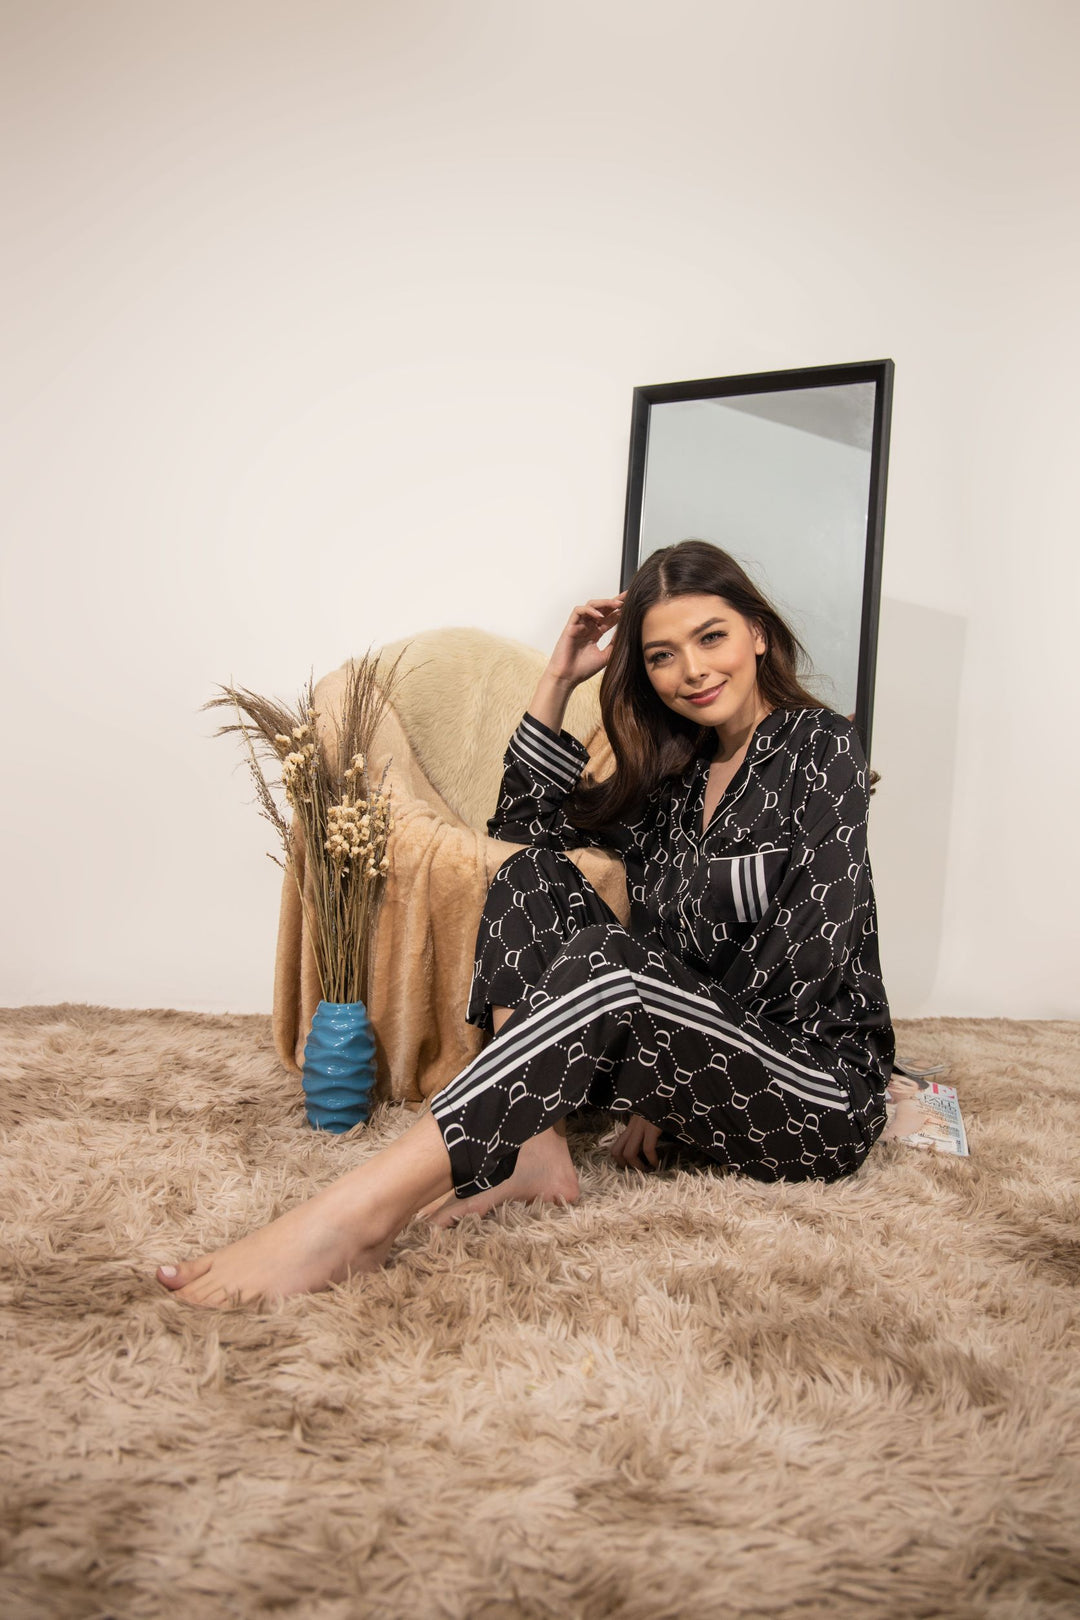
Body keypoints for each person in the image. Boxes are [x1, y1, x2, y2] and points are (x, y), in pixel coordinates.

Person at [157, 540, 893, 1308]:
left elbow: (809, 962)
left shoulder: (823, 749)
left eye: (713, 638)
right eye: (664, 655)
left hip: (815, 1089)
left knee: (616, 963)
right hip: (702, 1066)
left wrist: (663, 1076)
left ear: (758, 634)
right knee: (527, 878)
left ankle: (355, 1219)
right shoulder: (674, 784)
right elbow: (521, 826)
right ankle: (529, 1150)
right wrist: (559, 677)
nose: (694, 671)